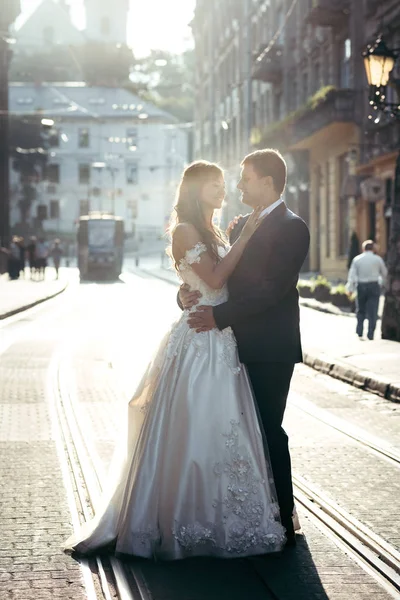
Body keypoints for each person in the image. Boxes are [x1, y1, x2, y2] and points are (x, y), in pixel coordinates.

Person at [64, 161, 286, 560]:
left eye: (224, 183)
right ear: (194, 190)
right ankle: (184, 517)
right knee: (195, 422)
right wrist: (247, 235)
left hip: (222, 337)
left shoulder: (215, 229)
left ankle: (224, 515)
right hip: (200, 341)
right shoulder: (184, 229)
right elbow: (216, 279)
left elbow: (213, 283)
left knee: (226, 427)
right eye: (213, 185)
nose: (223, 189)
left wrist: (198, 281)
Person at [179, 149, 310, 545]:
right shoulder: (237, 227)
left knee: (269, 429)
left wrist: (219, 318)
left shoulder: (292, 227)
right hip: (230, 345)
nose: (238, 186)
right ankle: (247, 510)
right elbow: (217, 281)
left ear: (268, 182)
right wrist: (188, 296)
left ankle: (283, 517)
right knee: (239, 432)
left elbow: (271, 290)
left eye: (245, 179)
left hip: (269, 346)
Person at [346, 239, 387, 340]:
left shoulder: (357, 259)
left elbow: (352, 275)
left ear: (363, 248)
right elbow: (384, 274)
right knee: (373, 311)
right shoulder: (378, 259)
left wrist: (350, 288)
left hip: (361, 286)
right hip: (374, 286)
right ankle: (370, 334)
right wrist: (383, 284)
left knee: (360, 309)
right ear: (373, 248)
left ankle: (359, 332)